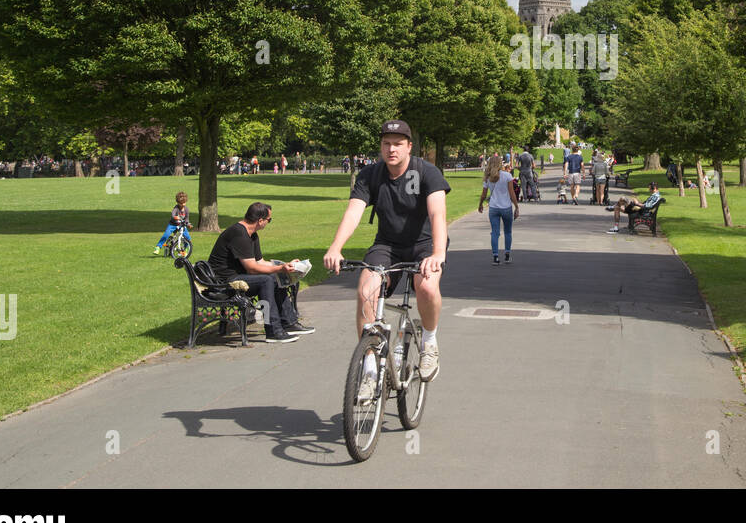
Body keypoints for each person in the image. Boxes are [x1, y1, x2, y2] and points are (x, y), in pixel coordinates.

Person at [323, 120, 449, 397]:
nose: (391, 149)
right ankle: (369, 369)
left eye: (398, 144)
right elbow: (354, 212)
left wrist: (438, 254)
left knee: (427, 286)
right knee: (365, 292)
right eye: (386, 143)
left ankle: (429, 342)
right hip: (387, 245)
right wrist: (335, 247)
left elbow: (438, 214)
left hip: (424, 244)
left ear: (409, 146)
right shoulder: (371, 175)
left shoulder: (426, 172)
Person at [208, 202, 310, 342]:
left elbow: (260, 262)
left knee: (275, 277)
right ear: (260, 220)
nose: (269, 223)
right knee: (266, 280)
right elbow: (252, 268)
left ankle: (288, 322)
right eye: (269, 220)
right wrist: (280, 268)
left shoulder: (252, 235)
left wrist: (286, 266)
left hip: (239, 277)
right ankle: (273, 331)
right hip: (224, 282)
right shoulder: (239, 234)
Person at [478, 154, 519, 265]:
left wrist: (480, 204)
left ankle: (495, 256)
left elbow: (483, 194)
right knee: (508, 232)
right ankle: (507, 255)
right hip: (506, 207)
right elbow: (512, 193)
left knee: (495, 233)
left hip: (494, 207)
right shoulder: (507, 176)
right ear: (500, 164)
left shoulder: (488, 177)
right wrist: (516, 206)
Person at [152, 191, 192, 255]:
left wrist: (188, 224)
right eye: (181, 203)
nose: (183, 204)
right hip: (173, 225)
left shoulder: (186, 209)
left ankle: (185, 249)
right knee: (166, 235)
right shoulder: (176, 208)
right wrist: (176, 217)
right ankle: (158, 247)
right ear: (178, 202)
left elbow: (186, 219)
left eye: (184, 202)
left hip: (181, 225)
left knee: (188, 238)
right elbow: (173, 215)